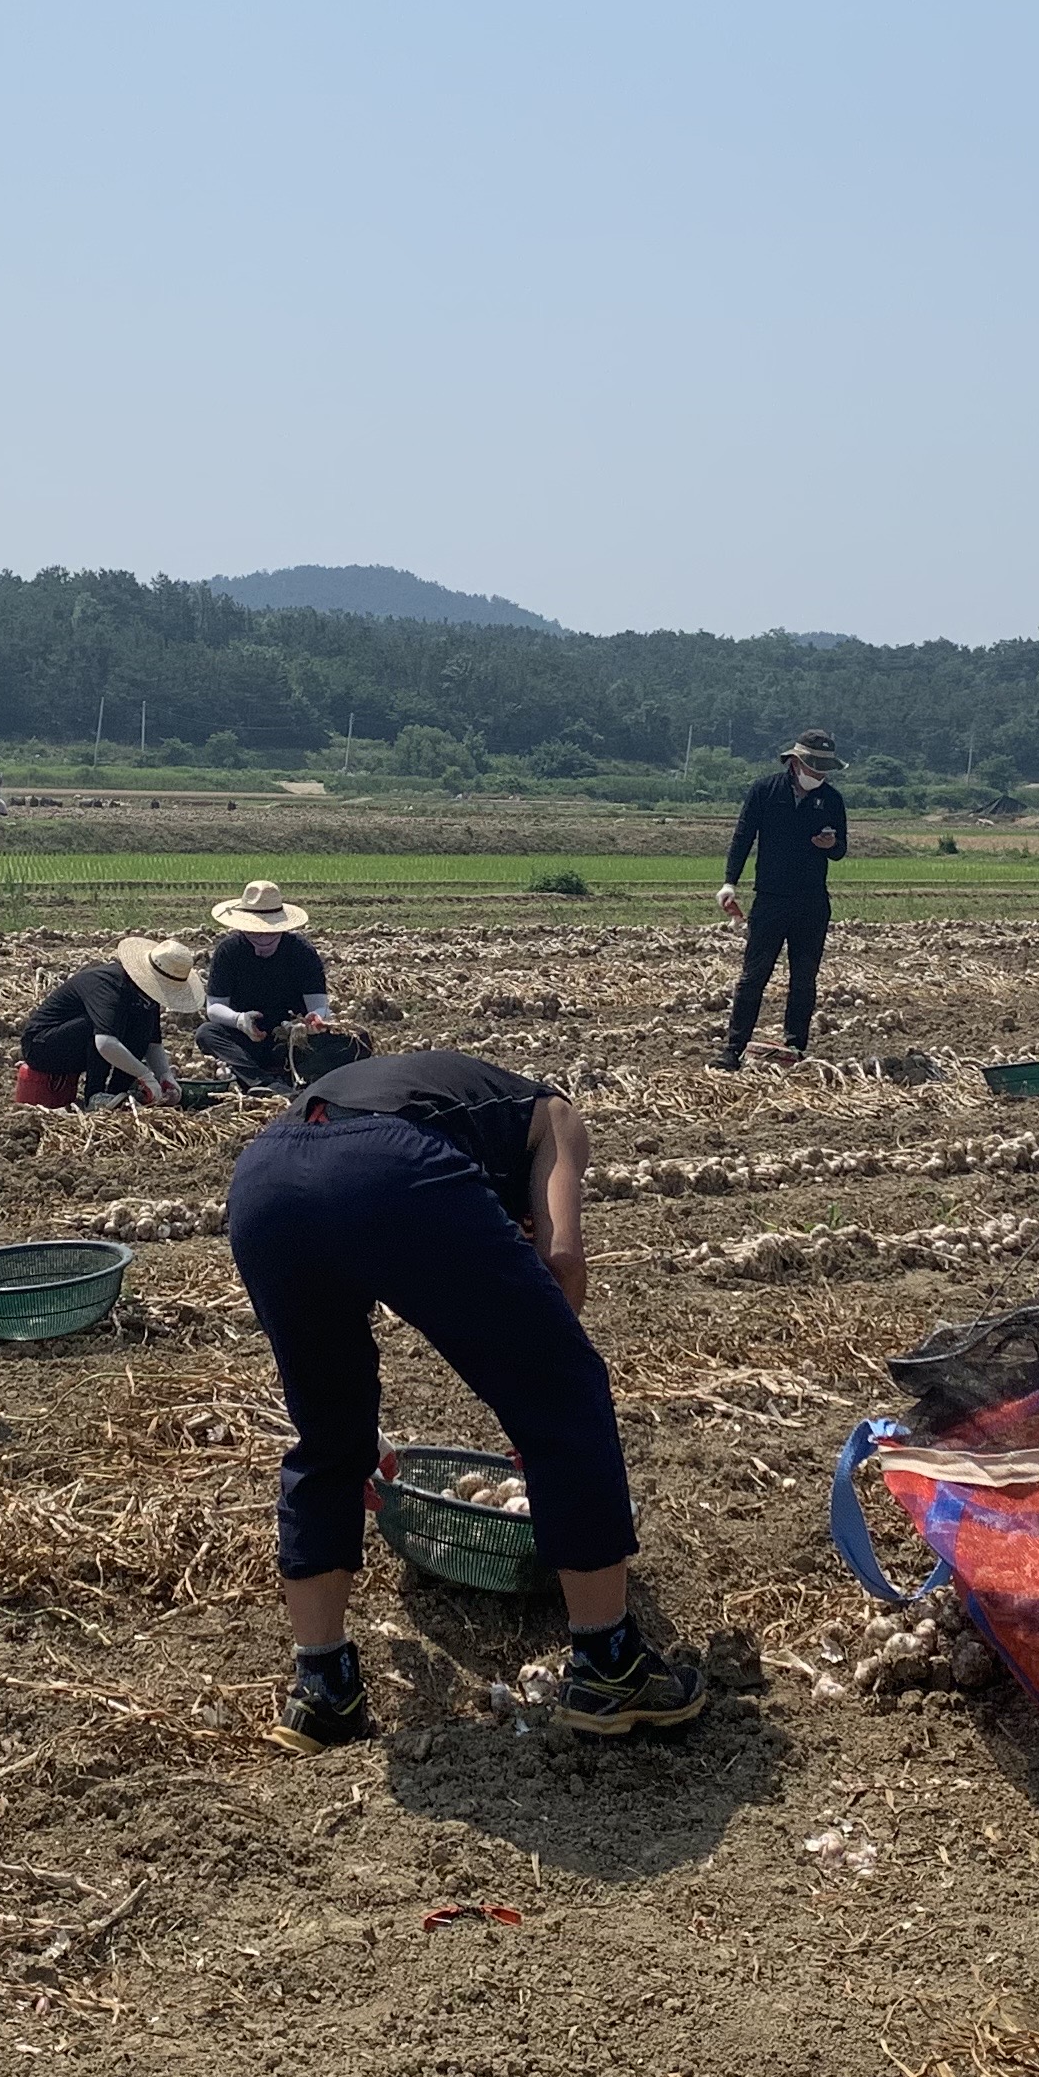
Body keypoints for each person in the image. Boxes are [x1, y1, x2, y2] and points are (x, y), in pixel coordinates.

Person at [225, 1049, 704, 1745]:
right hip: (387, 1165)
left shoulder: (438, 1093)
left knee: (331, 1437)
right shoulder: (557, 1117)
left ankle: (321, 1687)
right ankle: (611, 1666)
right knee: (569, 1392)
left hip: (265, 1176)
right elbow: (562, 1259)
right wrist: (539, 1415)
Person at [715, 730, 849, 1070]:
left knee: (804, 977)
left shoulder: (831, 800)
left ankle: (795, 1047)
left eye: (824, 769)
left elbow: (841, 850)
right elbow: (743, 837)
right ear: (795, 761)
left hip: (812, 901)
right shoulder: (764, 792)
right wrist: (730, 883)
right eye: (814, 767)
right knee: (753, 977)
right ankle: (733, 1050)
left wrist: (829, 845)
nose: (819, 775)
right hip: (771, 899)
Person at [16, 936, 205, 1106]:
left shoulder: (146, 997)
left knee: (141, 1027)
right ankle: (94, 1095)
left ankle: (117, 1092)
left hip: (80, 1046)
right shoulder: (109, 986)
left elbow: (152, 1042)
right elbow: (105, 1042)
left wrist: (165, 1076)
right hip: (42, 1047)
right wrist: (144, 1075)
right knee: (101, 1026)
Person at [197, 880, 333, 1089]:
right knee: (207, 1033)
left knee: (353, 1040)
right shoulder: (228, 951)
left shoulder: (302, 952)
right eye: (253, 931)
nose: (262, 938)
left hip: (294, 1039)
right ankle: (263, 1083)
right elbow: (214, 1007)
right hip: (248, 1039)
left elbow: (319, 1004)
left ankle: (294, 1076)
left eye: (270, 931)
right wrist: (239, 1020)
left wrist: (314, 1019)